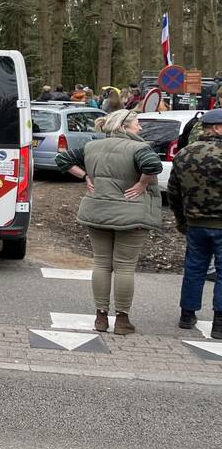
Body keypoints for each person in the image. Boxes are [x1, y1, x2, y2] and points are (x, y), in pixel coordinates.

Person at [56, 109, 163, 335]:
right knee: (124, 266)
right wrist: (142, 185)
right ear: (124, 127)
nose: (140, 129)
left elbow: (62, 159)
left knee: (102, 264)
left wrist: (85, 176)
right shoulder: (139, 147)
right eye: (137, 124)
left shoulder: (91, 146)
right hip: (131, 215)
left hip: (96, 211)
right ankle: (122, 321)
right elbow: (153, 166)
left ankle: (100, 318)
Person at [168, 109, 222, 338]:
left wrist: (182, 221)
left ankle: (187, 314)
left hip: (195, 223)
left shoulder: (184, 154)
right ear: (218, 128)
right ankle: (219, 323)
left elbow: (173, 192)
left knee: (194, 268)